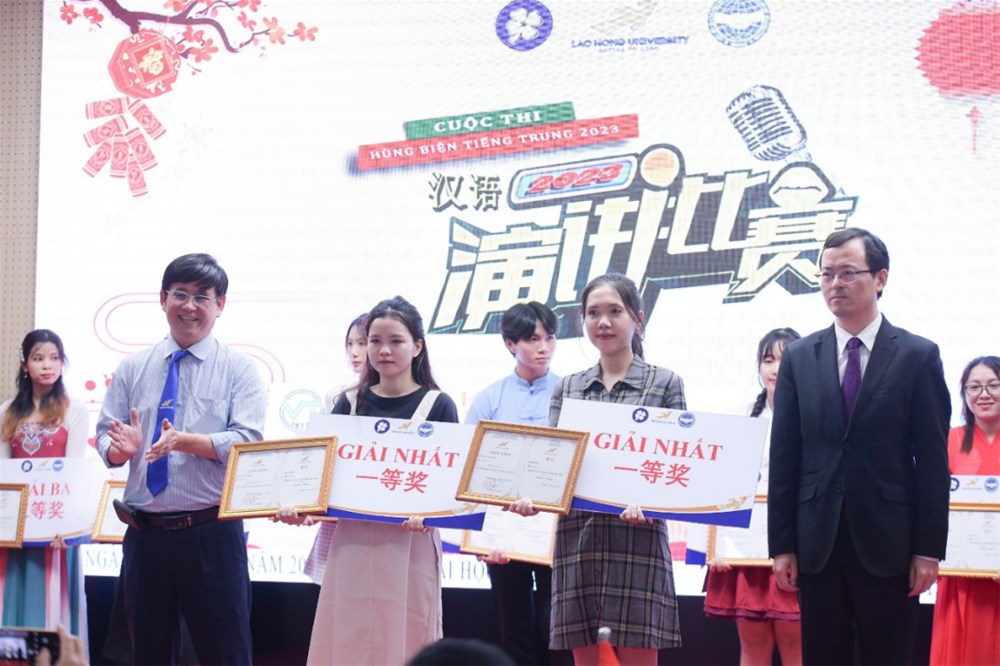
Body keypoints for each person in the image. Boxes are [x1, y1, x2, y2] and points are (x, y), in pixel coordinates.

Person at [767, 228, 951, 665]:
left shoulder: (917, 355)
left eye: (848, 272)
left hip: (891, 543)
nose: (835, 283)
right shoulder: (799, 357)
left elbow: (931, 461)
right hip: (817, 541)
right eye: (826, 274)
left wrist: (928, 549)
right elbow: (785, 457)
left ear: (880, 278)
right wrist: (782, 544)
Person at [95, 253, 267, 665]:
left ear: (220, 305)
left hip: (212, 534)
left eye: (202, 297)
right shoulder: (133, 367)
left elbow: (247, 441)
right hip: (146, 535)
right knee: (148, 655)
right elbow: (105, 434)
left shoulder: (239, 370)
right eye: (180, 294)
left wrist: (183, 441)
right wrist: (119, 450)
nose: (190, 306)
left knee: (225, 655)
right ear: (163, 298)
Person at [513, 273, 686, 666]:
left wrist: (653, 502)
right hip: (580, 541)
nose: (603, 322)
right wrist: (532, 497)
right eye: (593, 313)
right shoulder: (569, 388)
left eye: (614, 312)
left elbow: (676, 466)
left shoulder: (664, 383)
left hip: (639, 542)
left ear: (638, 317)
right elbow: (554, 467)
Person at [294, 296, 459, 665]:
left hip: (411, 542)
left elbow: (450, 486)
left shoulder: (438, 405)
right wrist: (301, 506)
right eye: (375, 341)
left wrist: (433, 514)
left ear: (417, 346)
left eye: (396, 341)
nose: (384, 350)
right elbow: (324, 479)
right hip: (351, 539)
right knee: (347, 636)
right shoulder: (348, 403)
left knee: (409, 634)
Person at [465, 301, 566, 665]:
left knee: (559, 629)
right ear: (510, 343)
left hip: (558, 531)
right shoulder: (489, 399)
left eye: (549, 338)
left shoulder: (570, 393)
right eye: (532, 339)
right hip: (503, 533)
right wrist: (479, 538)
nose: (544, 347)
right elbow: (468, 471)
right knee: (514, 629)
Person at [703, 327, 802, 666]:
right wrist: (715, 545)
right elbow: (720, 485)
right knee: (753, 647)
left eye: (785, 359)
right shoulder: (742, 415)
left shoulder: (815, 414)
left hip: (795, 550)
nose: (775, 368)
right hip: (746, 549)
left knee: (796, 648)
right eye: (768, 360)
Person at [0, 330, 89, 657]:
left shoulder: (74, 409)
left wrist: (67, 525)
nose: (47, 365)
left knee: (53, 605)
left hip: (55, 528)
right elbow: (3, 473)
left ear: (63, 363)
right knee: (10, 601)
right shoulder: (7, 411)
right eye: (38, 358)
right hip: (14, 529)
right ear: (25, 365)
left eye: (54, 358)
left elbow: (75, 471)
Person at [928, 355, 1000, 665]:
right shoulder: (949, 441)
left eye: (993, 385)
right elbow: (930, 504)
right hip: (960, 573)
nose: (984, 394)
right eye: (974, 387)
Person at [303, 313, 369, 585]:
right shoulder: (338, 395)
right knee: (334, 597)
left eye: (362, 343)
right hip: (339, 519)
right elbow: (327, 460)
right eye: (350, 343)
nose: (354, 351)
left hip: (382, 520)